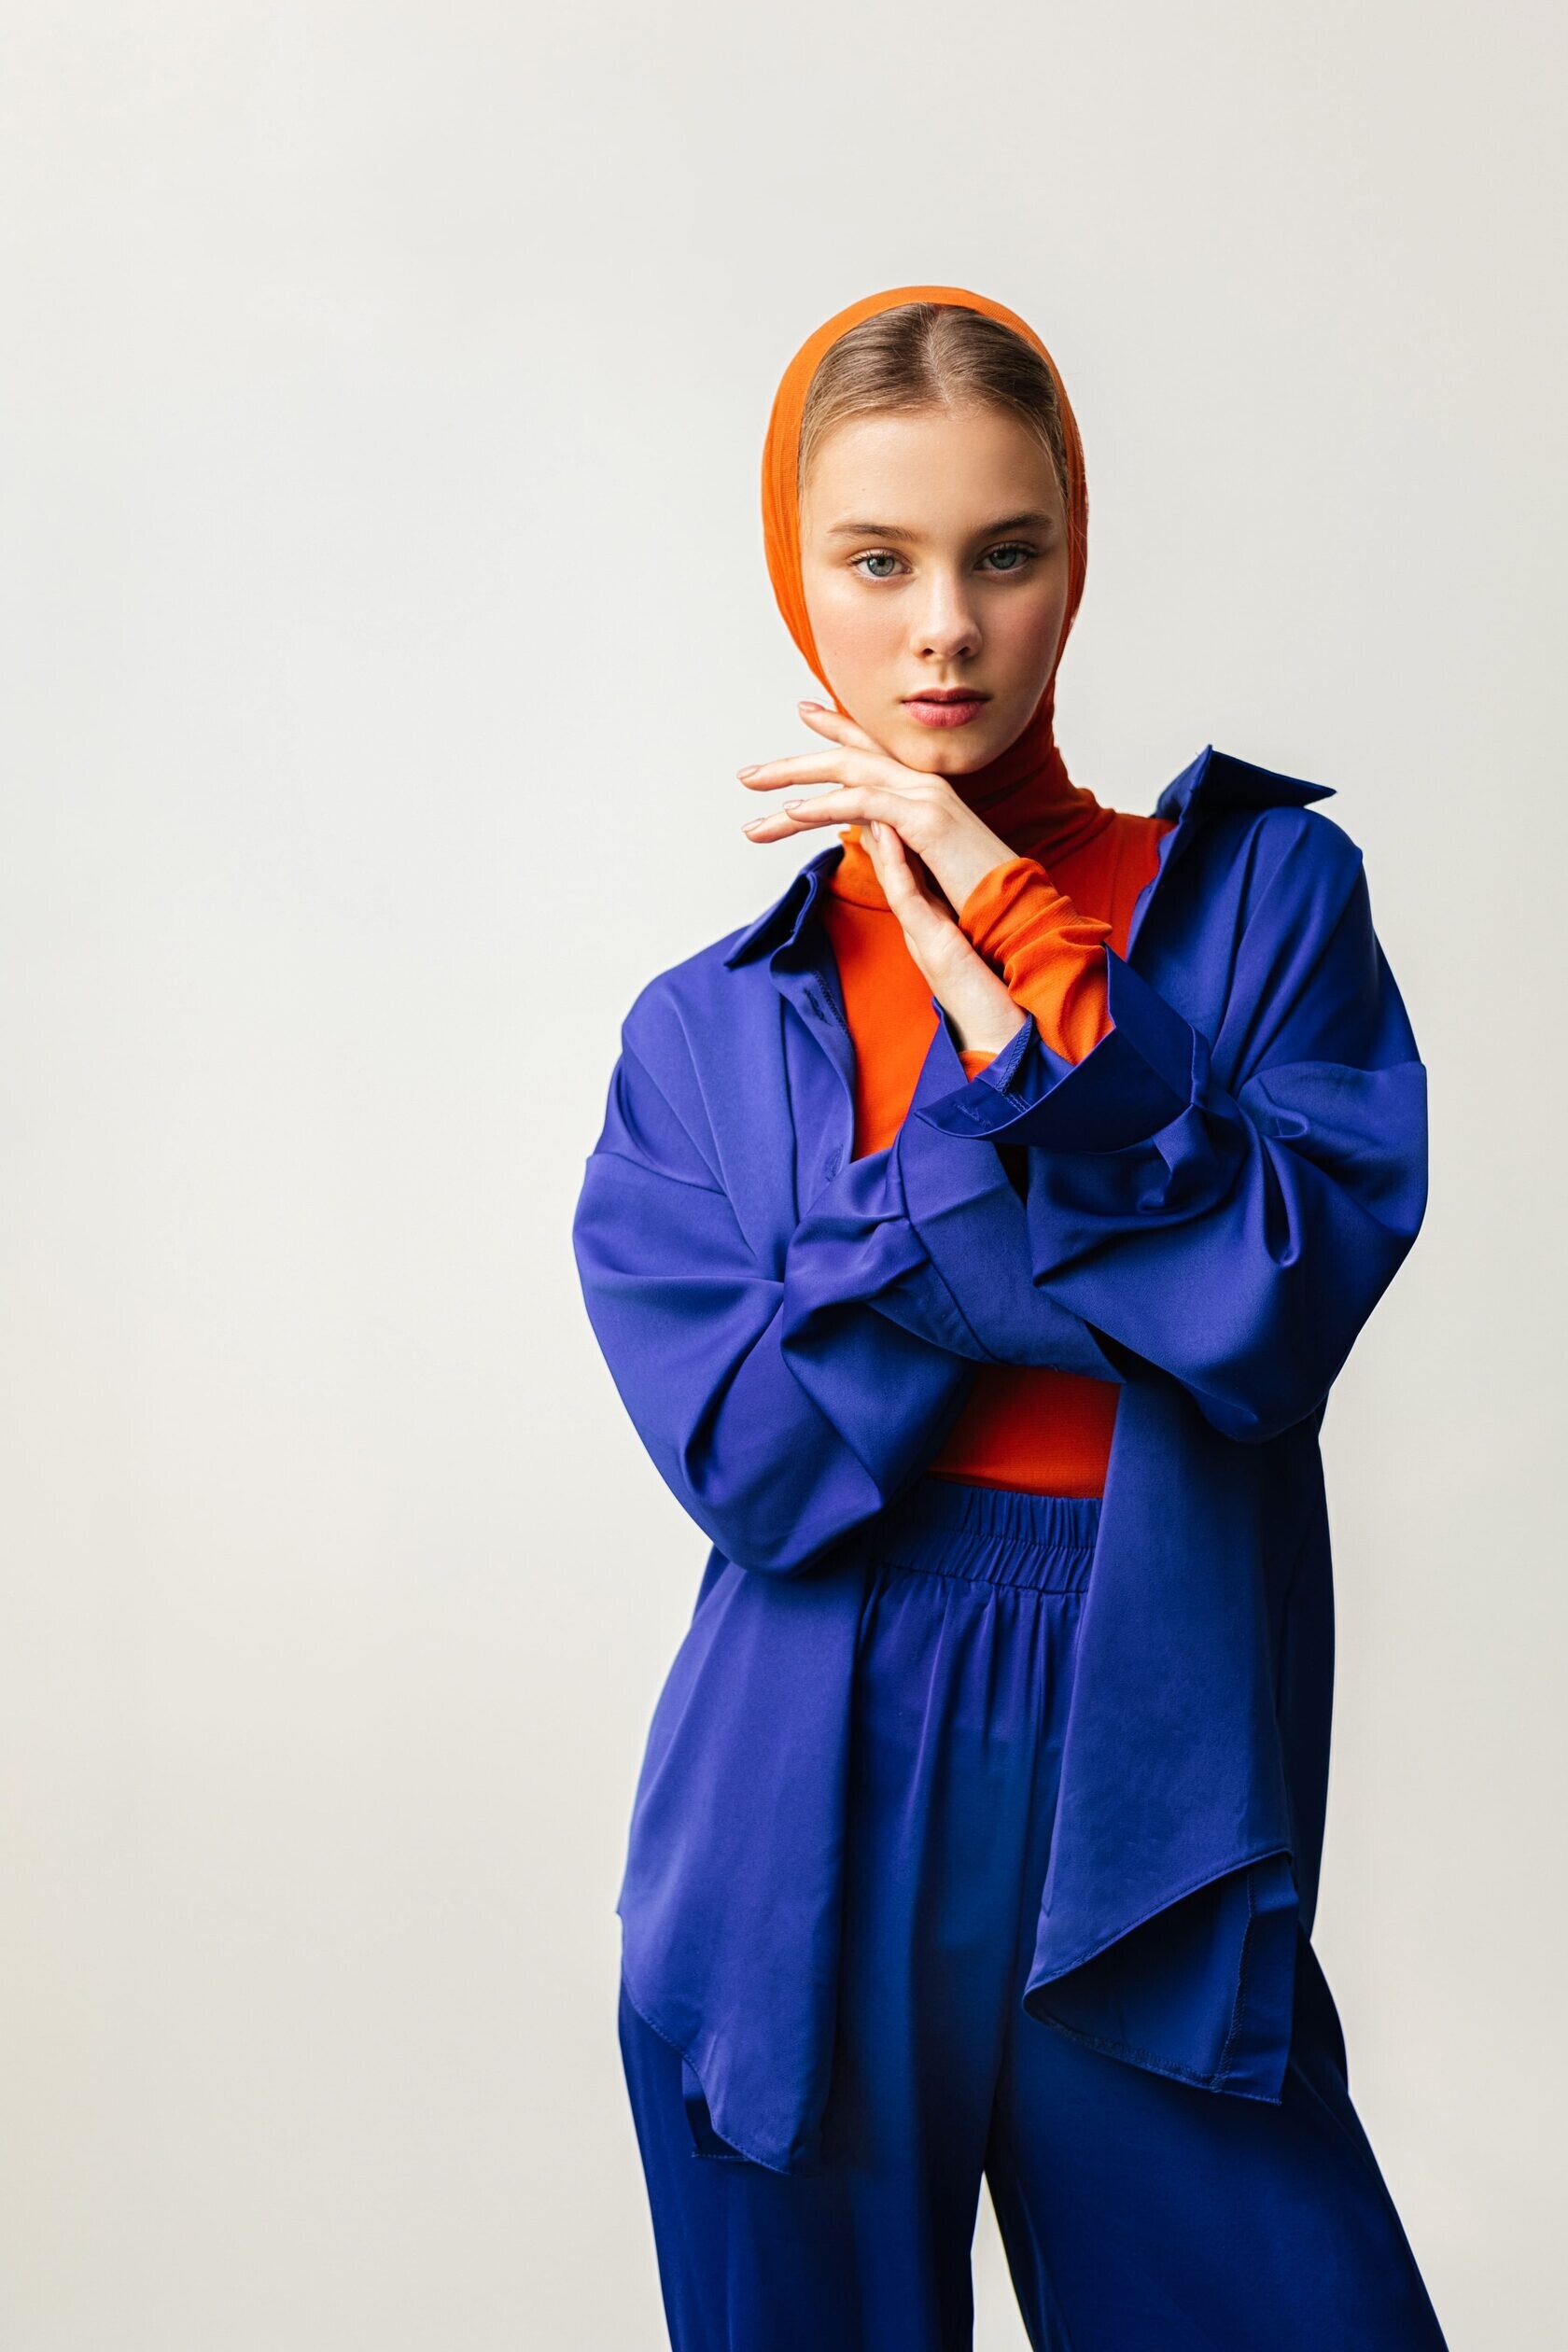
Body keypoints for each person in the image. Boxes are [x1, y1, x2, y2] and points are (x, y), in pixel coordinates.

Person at [571, 284, 1449, 2351]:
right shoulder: (701, 1040)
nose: (944, 631)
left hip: (1154, 1742)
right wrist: (1041, 1156)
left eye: (1004, 554)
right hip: (795, 1774)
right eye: (877, 563)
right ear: (795, 577)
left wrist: (1025, 962)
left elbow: (1269, 1307)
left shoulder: (1257, 908)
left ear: (1077, 558)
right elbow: (763, 1466)